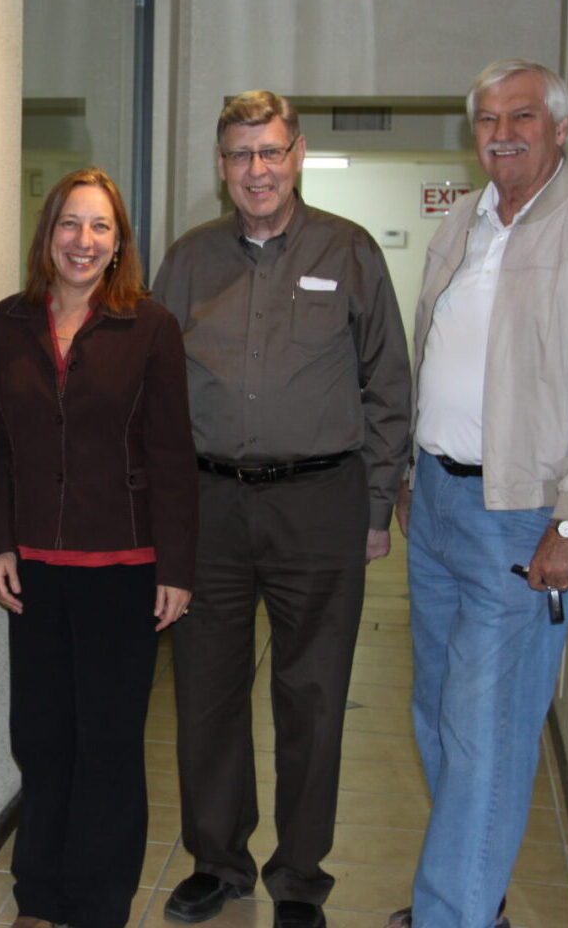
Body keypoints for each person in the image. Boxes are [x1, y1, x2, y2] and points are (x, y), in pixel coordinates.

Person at [384, 59, 568, 928]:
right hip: (437, 508)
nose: (501, 131)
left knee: (485, 734)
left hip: (525, 519)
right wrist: (412, 478)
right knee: (436, 720)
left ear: (559, 128)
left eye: (522, 115)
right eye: (488, 117)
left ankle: (447, 918)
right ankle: (475, 903)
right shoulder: (461, 222)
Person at [153, 91, 412, 928]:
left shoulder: (349, 251)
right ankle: (217, 860)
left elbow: (387, 388)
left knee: (312, 696)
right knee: (207, 694)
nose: (255, 170)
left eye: (269, 152)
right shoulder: (188, 261)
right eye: (239, 155)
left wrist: (375, 508)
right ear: (220, 165)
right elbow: (156, 399)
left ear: (296, 154)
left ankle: (299, 874)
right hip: (209, 506)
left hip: (319, 504)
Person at [0, 167, 197, 928]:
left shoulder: (150, 328)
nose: (83, 240)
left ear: (118, 244)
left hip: (123, 569)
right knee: (40, 740)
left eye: (100, 227)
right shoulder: (6, 324)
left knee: (106, 743)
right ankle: (38, 895)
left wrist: (175, 566)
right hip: (35, 567)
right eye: (70, 224)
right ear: (48, 235)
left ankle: (98, 903)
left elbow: (172, 453)